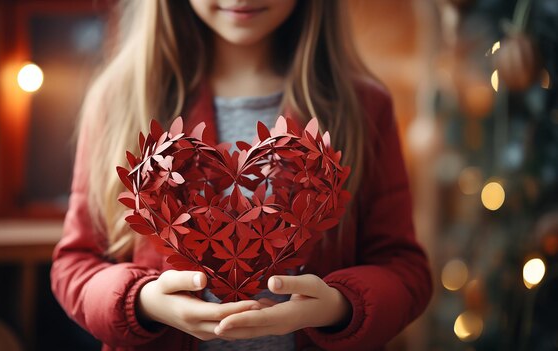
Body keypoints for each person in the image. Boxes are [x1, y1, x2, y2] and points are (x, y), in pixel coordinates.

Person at [50, 1, 433, 350]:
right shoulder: (120, 101)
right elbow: (75, 265)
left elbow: (406, 271)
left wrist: (339, 306)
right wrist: (142, 300)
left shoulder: (364, 107)